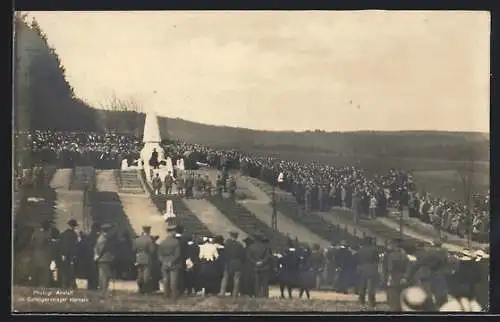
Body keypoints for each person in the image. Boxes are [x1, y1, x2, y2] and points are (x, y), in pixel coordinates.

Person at [158, 220, 182, 300]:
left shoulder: (162, 242)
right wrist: (171, 262)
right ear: (172, 232)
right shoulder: (176, 242)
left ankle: (166, 294)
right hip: (173, 263)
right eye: (174, 231)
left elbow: (159, 255)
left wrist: (164, 261)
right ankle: (173, 295)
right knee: (173, 280)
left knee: (165, 280)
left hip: (164, 263)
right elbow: (177, 254)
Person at [219, 231, 245, 297]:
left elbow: (224, 254)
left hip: (228, 262)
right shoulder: (240, 245)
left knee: (225, 278)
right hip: (237, 263)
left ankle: (222, 292)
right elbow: (242, 255)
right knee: (236, 279)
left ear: (231, 236)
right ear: (237, 237)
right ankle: (235, 293)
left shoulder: (227, 244)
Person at [386, 240, 409, 310]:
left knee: (394, 296)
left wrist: (389, 278)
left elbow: (390, 268)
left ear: (395, 247)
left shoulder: (391, 256)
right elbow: (408, 268)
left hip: (394, 277)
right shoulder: (405, 256)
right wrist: (405, 276)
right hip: (403, 277)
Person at [56, 219, 80, 289]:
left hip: (63, 255)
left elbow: (59, 244)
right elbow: (75, 246)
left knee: (64, 270)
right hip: (71, 255)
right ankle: (71, 285)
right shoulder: (74, 235)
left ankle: (64, 285)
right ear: (74, 226)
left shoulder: (63, 234)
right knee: (71, 271)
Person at [356, 236, 379, 307]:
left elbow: (357, 259)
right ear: (370, 241)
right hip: (371, 268)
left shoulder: (360, 249)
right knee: (371, 287)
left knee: (362, 286)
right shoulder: (374, 249)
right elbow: (377, 260)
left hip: (362, 268)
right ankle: (371, 302)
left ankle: (361, 301)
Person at [30, 219, 54, 287]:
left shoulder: (36, 233)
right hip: (44, 257)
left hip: (37, 256)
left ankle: (36, 287)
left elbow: (31, 243)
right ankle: (43, 287)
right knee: (44, 274)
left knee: (37, 273)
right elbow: (49, 245)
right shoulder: (48, 234)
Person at [133, 225, 155, 294]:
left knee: (139, 274)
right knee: (146, 275)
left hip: (139, 258)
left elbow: (133, 249)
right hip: (147, 259)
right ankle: (146, 290)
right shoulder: (149, 240)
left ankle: (140, 289)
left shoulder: (137, 240)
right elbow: (152, 250)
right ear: (149, 231)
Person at [94, 223, 115, 296]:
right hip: (105, 258)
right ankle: (104, 291)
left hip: (101, 259)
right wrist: (98, 255)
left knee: (102, 275)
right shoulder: (104, 238)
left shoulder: (100, 237)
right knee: (106, 276)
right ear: (108, 230)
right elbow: (101, 249)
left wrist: (96, 256)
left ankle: (102, 291)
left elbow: (96, 248)